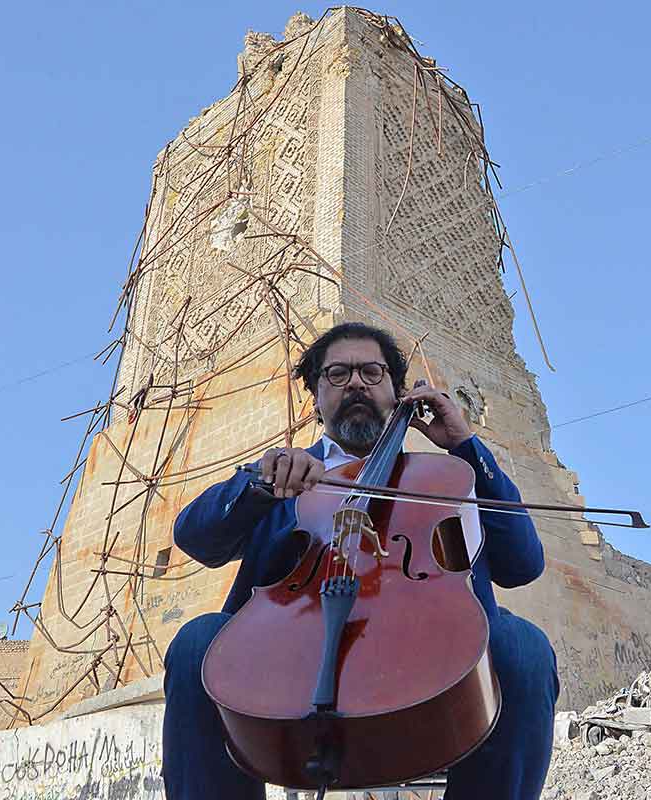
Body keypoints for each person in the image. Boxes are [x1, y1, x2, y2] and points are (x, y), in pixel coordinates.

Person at [161, 322, 559, 799]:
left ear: (397, 393)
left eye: (372, 372)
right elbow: (194, 538)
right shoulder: (287, 472)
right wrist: (261, 485)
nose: (355, 383)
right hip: (292, 649)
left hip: (421, 650)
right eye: (337, 374)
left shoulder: (440, 478)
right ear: (315, 397)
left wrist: (466, 447)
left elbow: (523, 563)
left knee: (524, 648)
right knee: (195, 644)